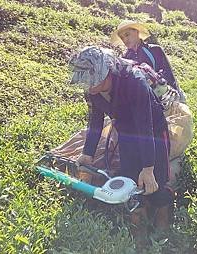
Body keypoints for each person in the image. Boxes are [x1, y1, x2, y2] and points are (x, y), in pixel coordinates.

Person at [69, 46, 174, 248]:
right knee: (128, 179)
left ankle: (163, 219)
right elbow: (95, 120)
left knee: (156, 181)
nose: (88, 86)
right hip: (125, 133)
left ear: (106, 73)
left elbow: (145, 126)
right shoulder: (93, 91)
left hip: (153, 131)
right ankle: (139, 227)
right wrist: (87, 153)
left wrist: (148, 168)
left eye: (91, 80)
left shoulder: (134, 82)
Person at [110, 20, 187, 104]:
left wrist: (175, 96)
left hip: (167, 94)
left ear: (136, 32)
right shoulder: (125, 59)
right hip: (146, 102)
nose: (125, 40)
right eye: (122, 38)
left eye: (127, 35)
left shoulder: (154, 50)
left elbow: (168, 74)